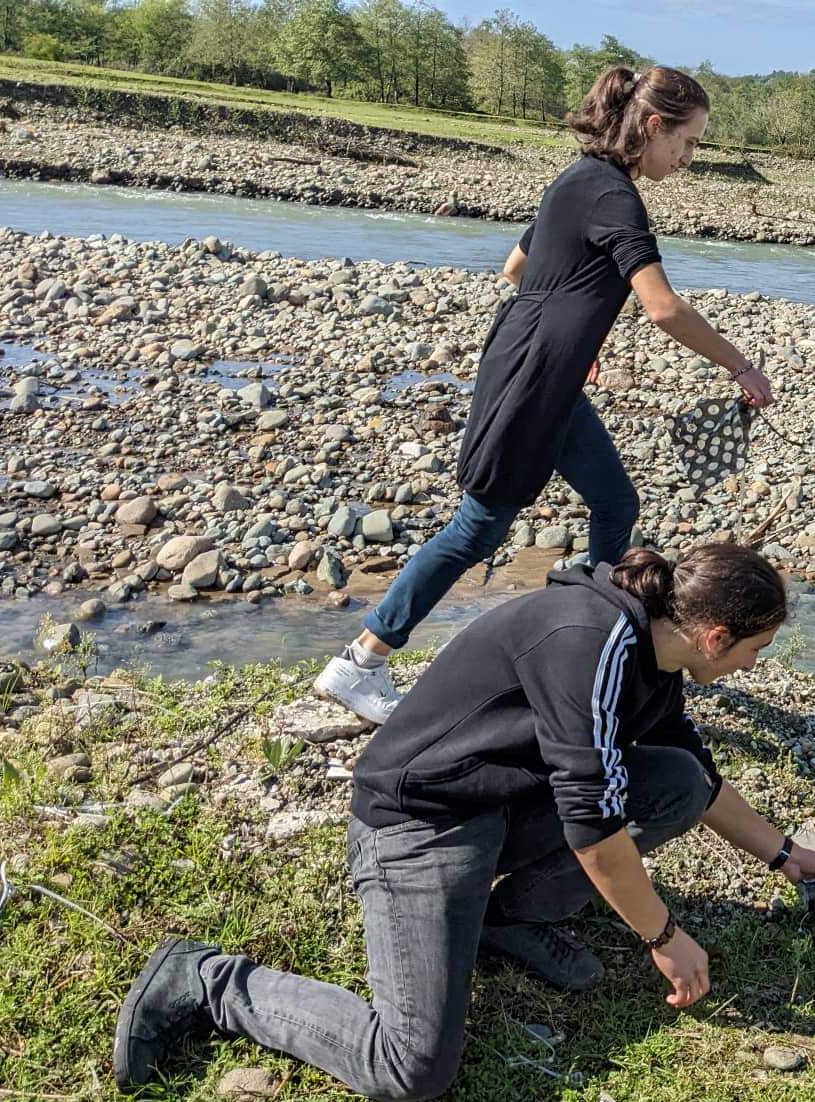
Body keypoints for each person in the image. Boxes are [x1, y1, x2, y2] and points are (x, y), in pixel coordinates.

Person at [115, 545, 815, 1102]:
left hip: (502, 802)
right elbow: (593, 828)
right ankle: (208, 981)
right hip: (422, 821)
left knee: (677, 780)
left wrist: (786, 856)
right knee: (410, 1066)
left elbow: (694, 773)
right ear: (716, 637)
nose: (755, 669)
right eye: (756, 652)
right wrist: (663, 935)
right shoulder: (588, 641)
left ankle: (512, 920)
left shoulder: (656, 655)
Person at [313, 64, 775, 725]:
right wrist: (741, 366)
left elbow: (518, 267)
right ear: (651, 126)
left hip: (542, 373)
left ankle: (596, 647)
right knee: (479, 528)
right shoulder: (614, 196)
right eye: (689, 141)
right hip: (534, 382)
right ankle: (359, 663)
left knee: (616, 503)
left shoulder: (579, 180)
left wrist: (571, 337)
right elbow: (662, 307)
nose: (690, 157)